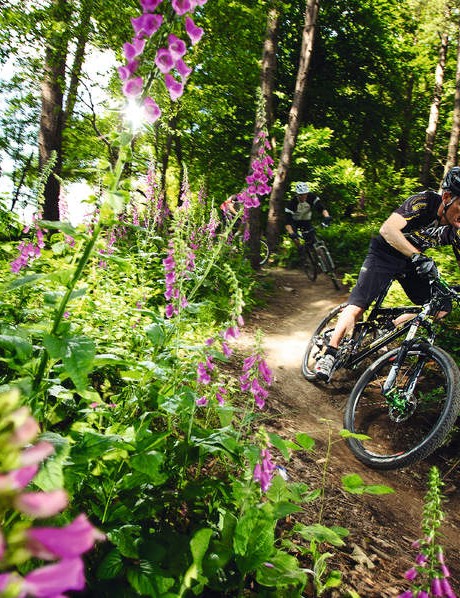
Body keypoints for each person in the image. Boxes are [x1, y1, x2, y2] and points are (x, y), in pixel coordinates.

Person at [314, 166, 460, 381]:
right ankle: (330, 352)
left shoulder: (455, 231)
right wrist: (416, 256)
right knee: (358, 305)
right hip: (384, 254)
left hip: (411, 263)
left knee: (441, 307)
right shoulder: (423, 202)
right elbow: (388, 230)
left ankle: (388, 329)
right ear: (447, 197)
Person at [285, 182, 332, 250]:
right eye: (301, 195)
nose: (304, 196)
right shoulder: (292, 203)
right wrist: (291, 233)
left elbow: (321, 208)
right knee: (295, 238)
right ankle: (301, 251)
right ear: (297, 194)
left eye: (305, 194)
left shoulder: (311, 197)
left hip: (306, 221)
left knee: (311, 238)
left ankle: (317, 253)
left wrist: (327, 217)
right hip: (294, 222)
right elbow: (287, 222)